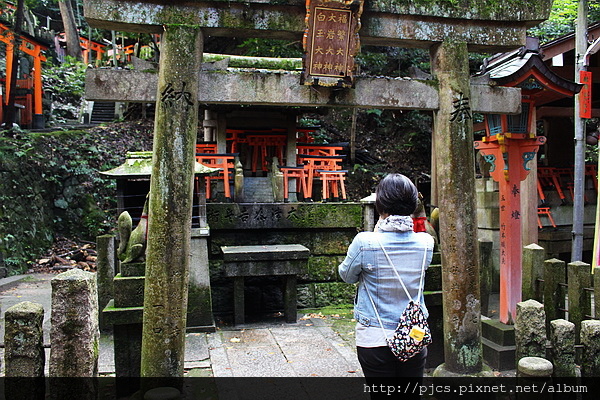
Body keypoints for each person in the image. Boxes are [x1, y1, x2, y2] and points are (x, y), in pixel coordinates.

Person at [338, 173, 434, 384]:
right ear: (412, 204)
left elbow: (346, 275)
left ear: (380, 204)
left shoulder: (364, 242)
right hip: (414, 333)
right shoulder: (426, 243)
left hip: (374, 336)